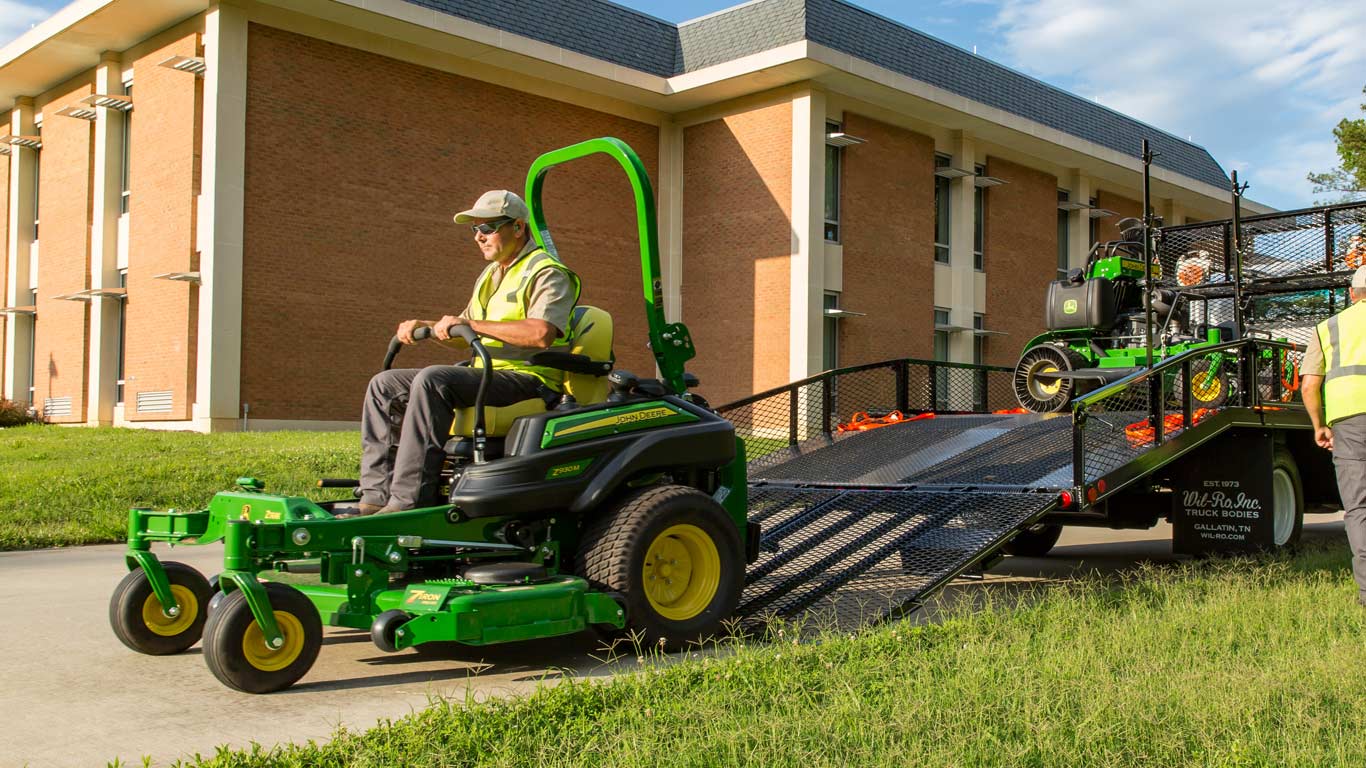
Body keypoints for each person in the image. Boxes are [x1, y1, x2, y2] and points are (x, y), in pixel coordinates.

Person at [352, 190, 580, 515]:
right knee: (384, 384)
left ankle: (407, 504)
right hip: (489, 372)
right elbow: (466, 332)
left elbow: (540, 333)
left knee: (434, 380)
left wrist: (473, 325)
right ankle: (375, 497)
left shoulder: (547, 272)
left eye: (487, 228)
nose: (478, 237)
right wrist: (428, 326)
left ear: (517, 227)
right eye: (473, 230)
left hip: (530, 379)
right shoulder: (491, 275)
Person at [1301, 264, 1366, 609]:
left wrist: (1319, 425)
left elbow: (1310, 384)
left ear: (1353, 294)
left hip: (1349, 423)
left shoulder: (1329, 327)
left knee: (1358, 507)